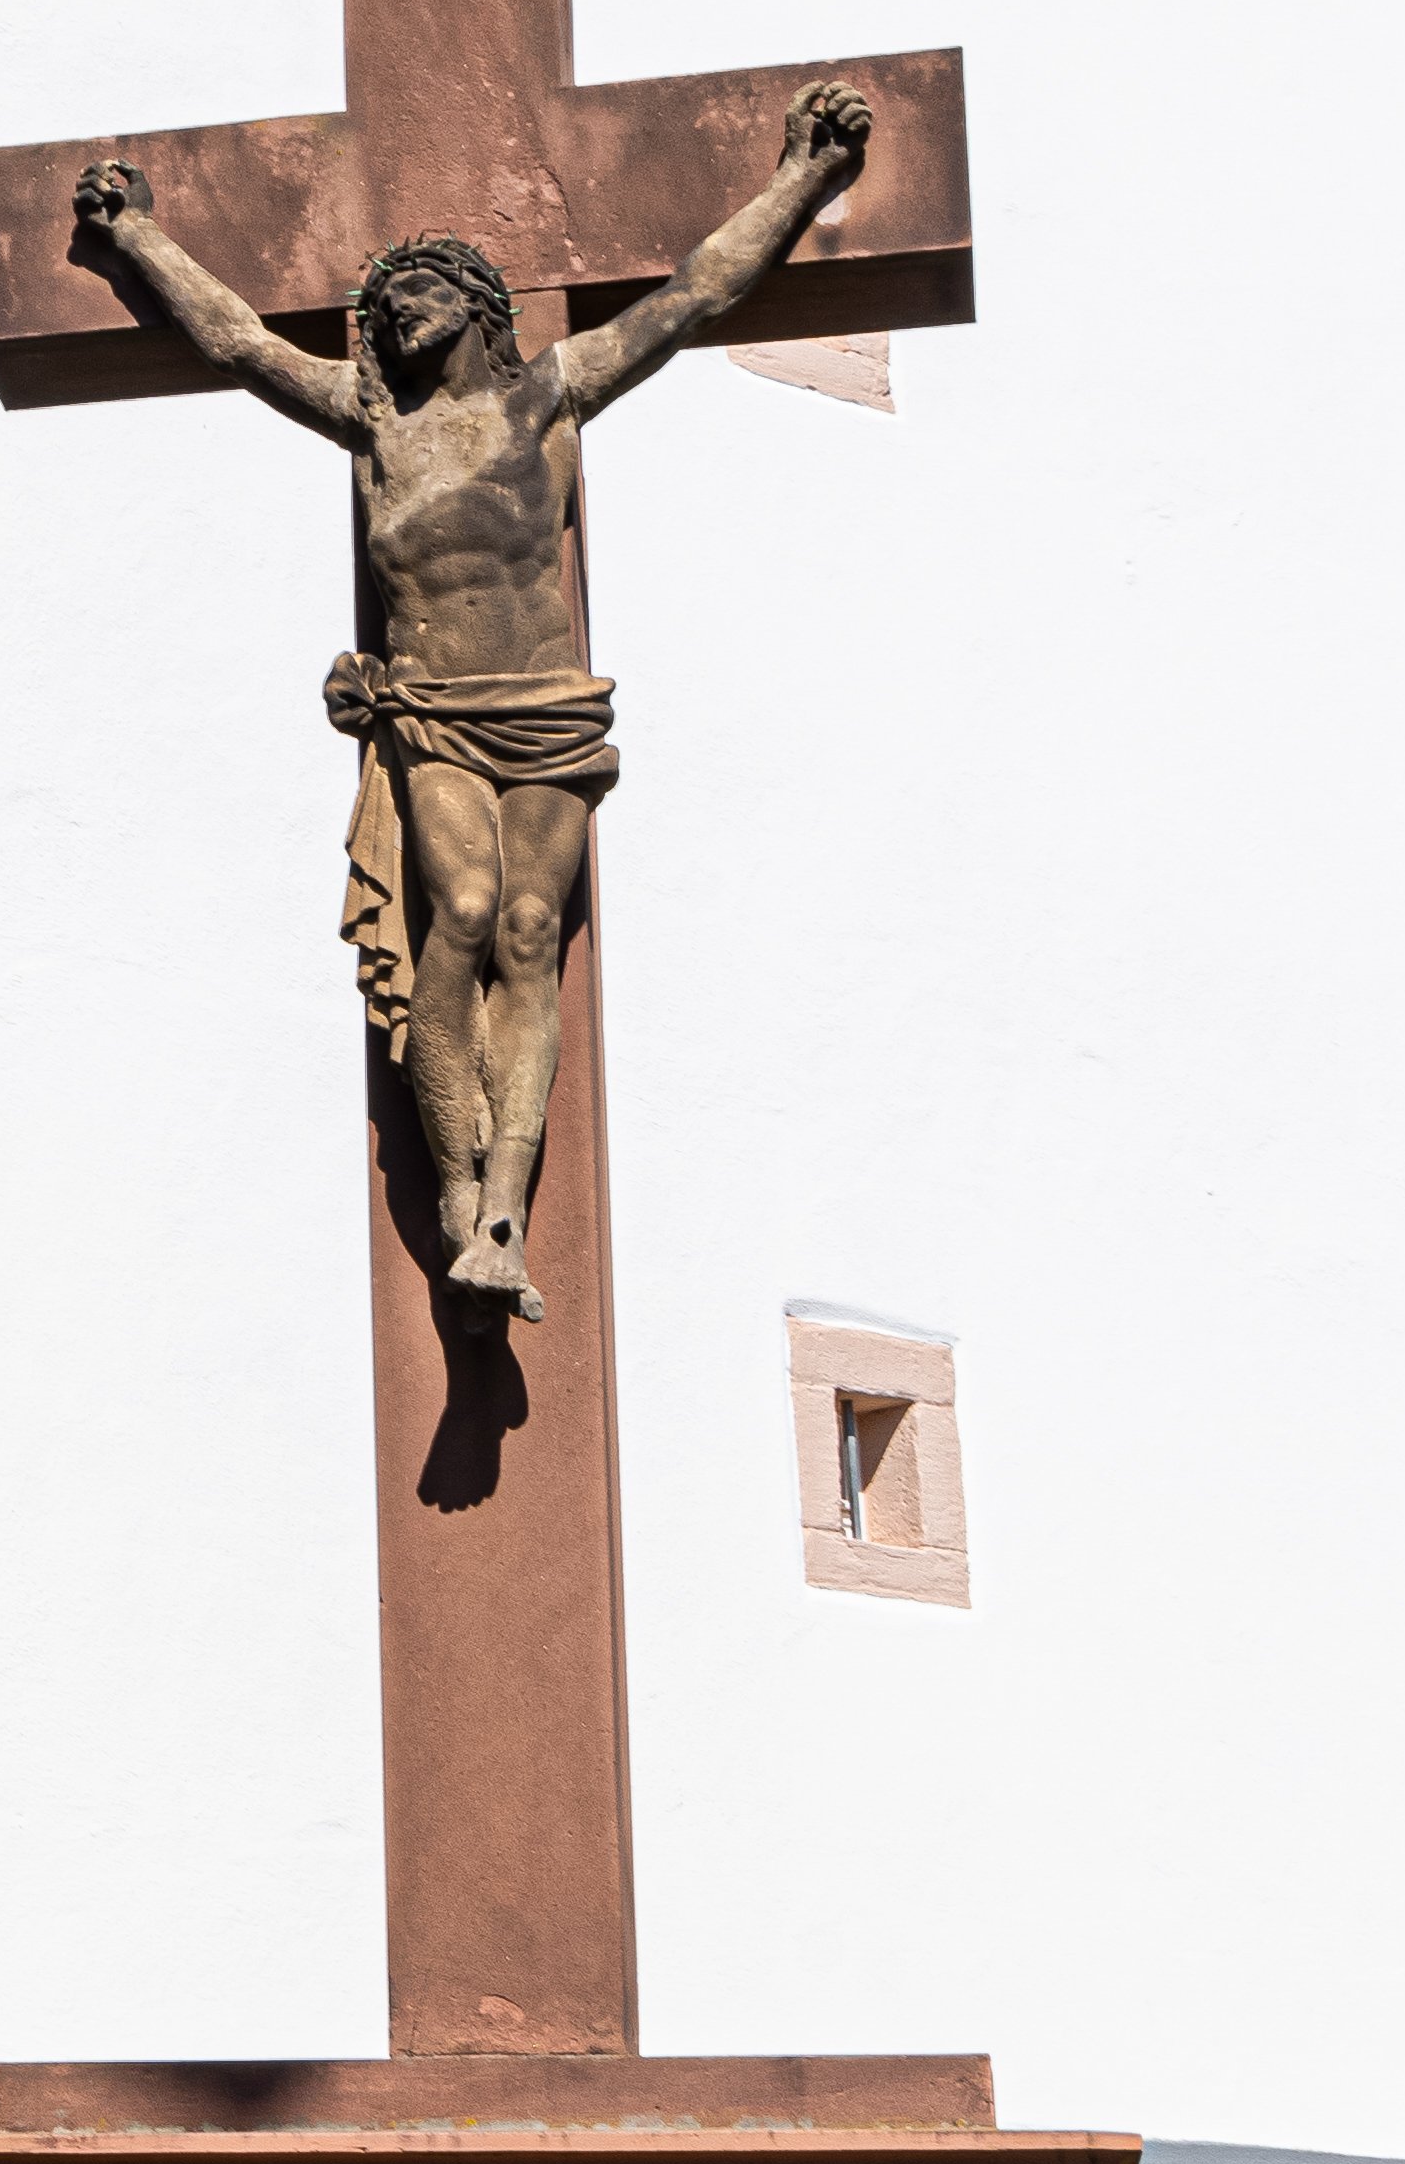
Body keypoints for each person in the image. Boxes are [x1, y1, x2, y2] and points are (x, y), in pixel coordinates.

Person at [69, 81, 874, 1313]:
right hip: (433, 707)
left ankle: (504, 1208)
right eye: (386, 304)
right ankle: (455, 1184)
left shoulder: (545, 394)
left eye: (423, 294)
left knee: (529, 938)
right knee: (462, 908)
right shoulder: (369, 426)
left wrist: (803, 179)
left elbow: (694, 296)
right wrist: (134, 236)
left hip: (545, 703)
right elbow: (235, 341)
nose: (398, 314)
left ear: (476, 308)